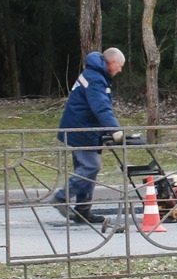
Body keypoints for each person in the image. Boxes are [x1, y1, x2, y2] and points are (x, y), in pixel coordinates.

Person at [52, 48, 126, 225]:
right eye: (120, 66)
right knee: (90, 166)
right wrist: (114, 130)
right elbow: (101, 107)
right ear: (111, 62)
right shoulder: (95, 79)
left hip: (83, 128)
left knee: (86, 170)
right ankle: (61, 197)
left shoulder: (95, 74)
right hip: (81, 130)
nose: (120, 70)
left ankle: (83, 211)